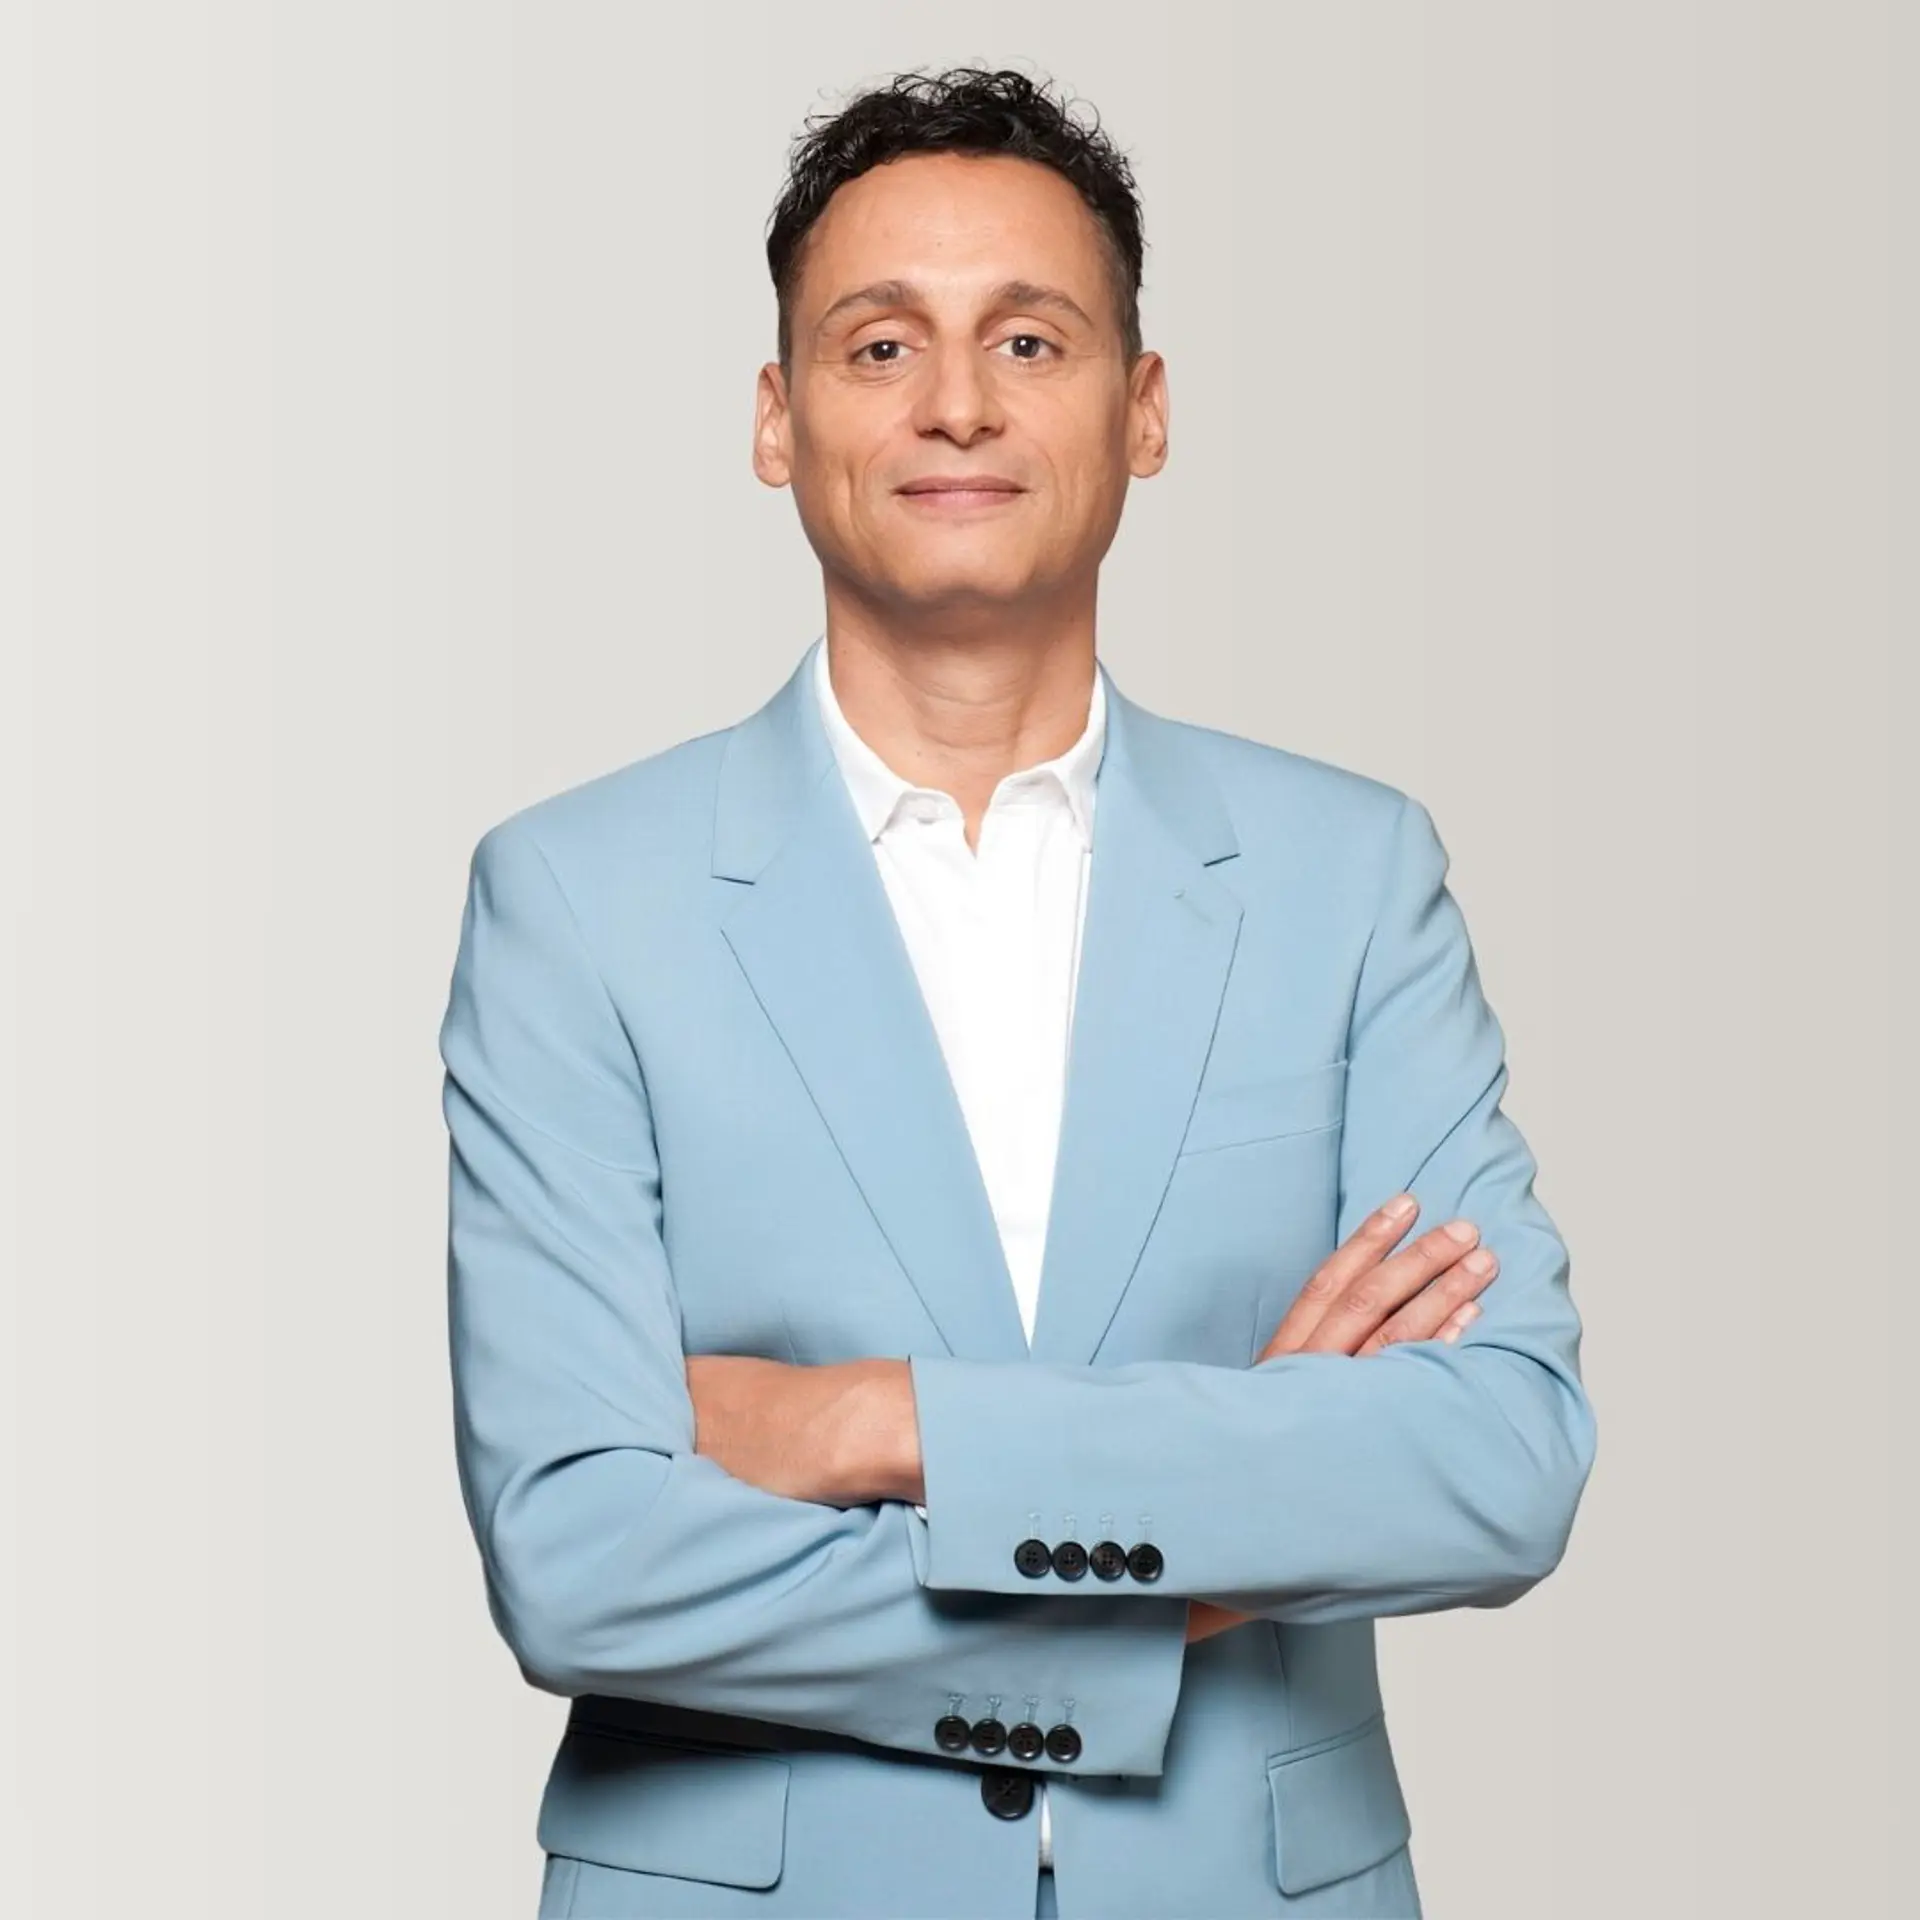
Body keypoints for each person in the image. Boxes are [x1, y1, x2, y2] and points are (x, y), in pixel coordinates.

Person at [438, 65, 1596, 1920]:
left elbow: (1500, 1460)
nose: (958, 402)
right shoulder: (575, 901)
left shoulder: (1348, 877)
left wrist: (876, 1422)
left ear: (1145, 411)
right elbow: (579, 1559)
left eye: (1031, 340)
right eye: (880, 344)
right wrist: (1204, 1550)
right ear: (777, 418)